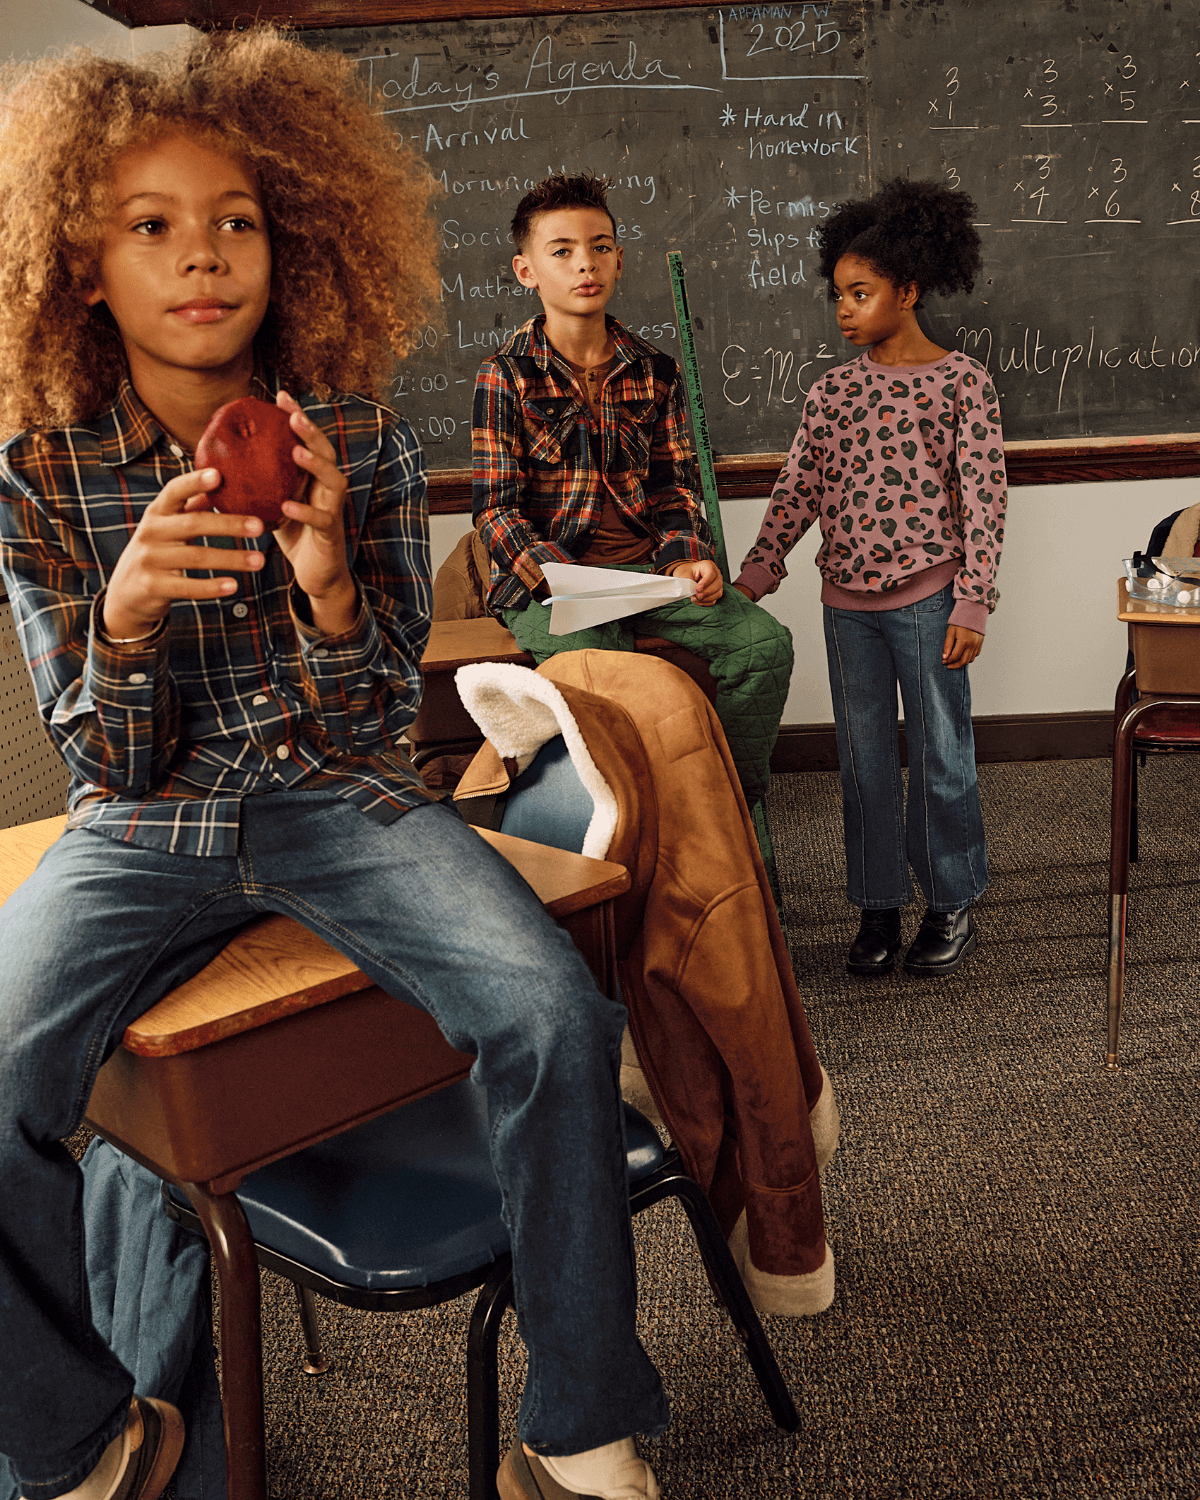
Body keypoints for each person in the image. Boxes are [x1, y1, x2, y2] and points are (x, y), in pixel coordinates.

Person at [0, 31, 666, 1500]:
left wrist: (330, 587)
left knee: (554, 1011)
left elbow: (373, 730)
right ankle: (77, 1439)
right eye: (151, 226)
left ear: (290, 239)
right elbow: (103, 758)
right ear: (79, 266)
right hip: (141, 826)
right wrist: (121, 618)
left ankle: (580, 1424)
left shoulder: (354, 435)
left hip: (333, 801)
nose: (203, 257)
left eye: (235, 219)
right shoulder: (40, 467)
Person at [732, 179, 1007, 978]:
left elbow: (983, 502)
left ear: (909, 290)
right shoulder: (832, 392)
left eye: (862, 293)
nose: (845, 309)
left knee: (940, 753)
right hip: (845, 606)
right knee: (863, 762)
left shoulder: (963, 385)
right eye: (839, 295)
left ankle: (951, 902)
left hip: (930, 598)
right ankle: (878, 904)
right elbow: (799, 489)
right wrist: (758, 570)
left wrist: (974, 600)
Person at [470, 172, 794, 810]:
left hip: (648, 575)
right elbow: (495, 509)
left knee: (764, 645)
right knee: (606, 674)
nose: (584, 263)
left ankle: (722, 801)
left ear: (619, 258)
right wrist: (561, 578)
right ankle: (633, 813)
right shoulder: (504, 376)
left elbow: (675, 488)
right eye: (561, 250)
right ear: (525, 270)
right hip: (553, 582)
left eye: (600, 245)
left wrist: (686, 559)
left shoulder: (655, 371)